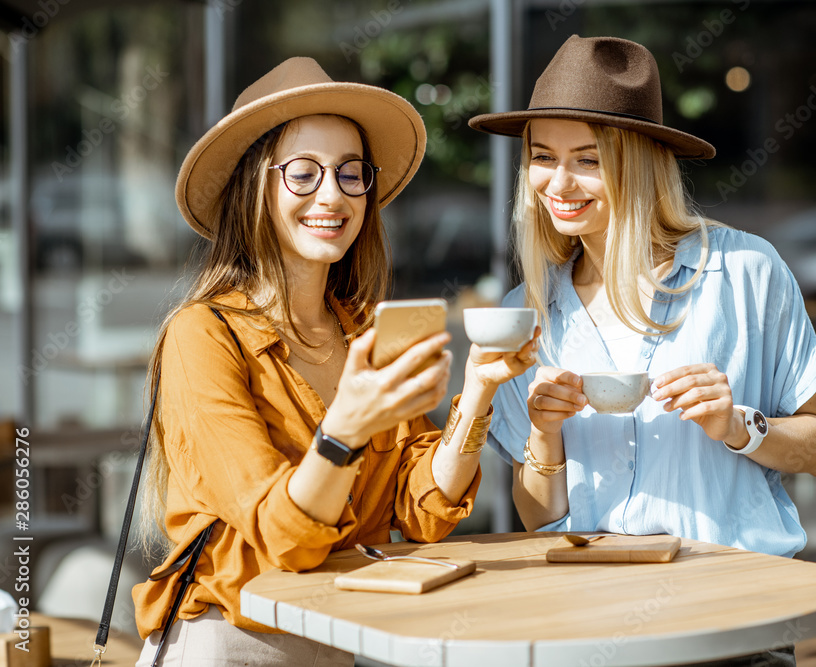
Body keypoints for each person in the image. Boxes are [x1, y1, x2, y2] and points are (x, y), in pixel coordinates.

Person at [132, 57, 536, 666]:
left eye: (352, 174)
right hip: (230, 645)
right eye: (303, 173)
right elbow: (283, 536)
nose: (332, 195)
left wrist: (478, 390)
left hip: (341, 643)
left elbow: (422, 509)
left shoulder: (365, 329)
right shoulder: (202, 336)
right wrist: (344, 428)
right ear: (254, 186)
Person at [470, 36, 816, 666]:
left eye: (587, 159)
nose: (559, 183)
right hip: (589, 624)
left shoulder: (746, 271)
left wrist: (738, 426)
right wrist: (545, 434)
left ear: (637, 161)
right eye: (542, 157)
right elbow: (538, 519)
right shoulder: (521, 315)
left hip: (733, 621)